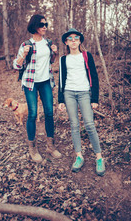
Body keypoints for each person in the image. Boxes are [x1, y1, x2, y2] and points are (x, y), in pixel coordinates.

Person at [13, 14, 62, 163]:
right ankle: (32, 148)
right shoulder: (26, 44)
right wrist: (24, 54)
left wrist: (55, 53)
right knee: (33, 114)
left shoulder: (48, 43)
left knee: (49, 112)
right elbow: (16, 65)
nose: (45, 27)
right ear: (35, 26)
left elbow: (51, 61)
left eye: (46, 24)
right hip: (30, 83)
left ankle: (50, 146)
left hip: (46, 81)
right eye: (42, 25)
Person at [58, 28, 105, 176]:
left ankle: (99, 158)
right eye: (70, 38)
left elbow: (95, 77)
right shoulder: (63, 59)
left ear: (80, 41)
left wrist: (94, 98)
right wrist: (61, 100)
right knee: (74, 125)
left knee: (89, 124)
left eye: (76, 38)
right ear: (66, 42)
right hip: (69, 93)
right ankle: (79, 156)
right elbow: (61, 80)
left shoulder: (86, 56)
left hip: (85, 93)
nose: (73, 41)